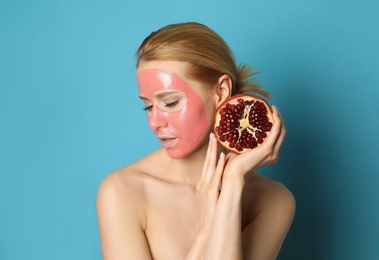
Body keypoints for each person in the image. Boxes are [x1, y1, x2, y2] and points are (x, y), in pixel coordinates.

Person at [96, 22, 295, 260]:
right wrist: (207, 229)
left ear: (221, 91)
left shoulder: (273, 202)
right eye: (148, 106)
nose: (154, 122)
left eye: (170, 103)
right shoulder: (122, 192)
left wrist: (231, 185)